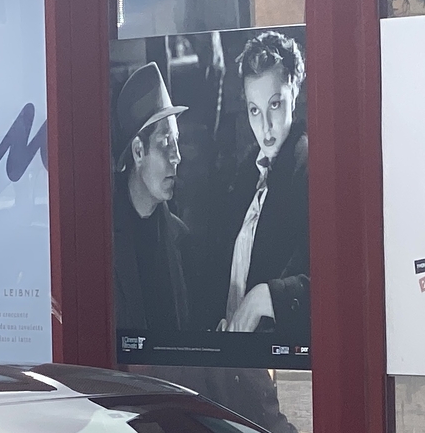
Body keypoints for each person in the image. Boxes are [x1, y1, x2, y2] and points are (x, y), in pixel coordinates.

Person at [209, 29, 311, 349]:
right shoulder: (243, 178)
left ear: (294, 90)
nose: (264, 127)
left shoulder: (312, 171)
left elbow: (343, 284)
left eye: (275, 104)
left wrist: (265, 298)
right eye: (255, 110)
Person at [110, 62, 197, 360]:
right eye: (165, 143)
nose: (177, 156)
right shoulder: (99, 242)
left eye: (177, 141)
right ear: (138, 151)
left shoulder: (181, 238)